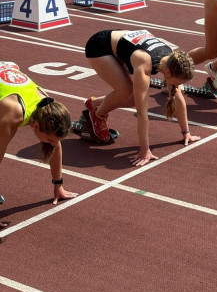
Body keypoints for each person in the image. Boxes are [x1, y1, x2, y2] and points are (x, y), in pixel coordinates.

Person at [84, 29, 199, 166]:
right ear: (167, 72)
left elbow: (178, 99)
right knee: (127, 93)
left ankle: (94, 103)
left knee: (131, 98)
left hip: (125, 46)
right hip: (100, 46)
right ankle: (98, 115)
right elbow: (142, 112)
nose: (178, 86)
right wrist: (145, 150)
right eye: (177, 82)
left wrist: (186, 133)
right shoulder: (145, 63)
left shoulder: (172, 60)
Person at [0, 61, 77, 227]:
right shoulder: (14, 113)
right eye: (49, 139)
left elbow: (55, 145)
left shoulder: (49, 105)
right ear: (35, 126)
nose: (53, 143)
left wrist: (59, 186)